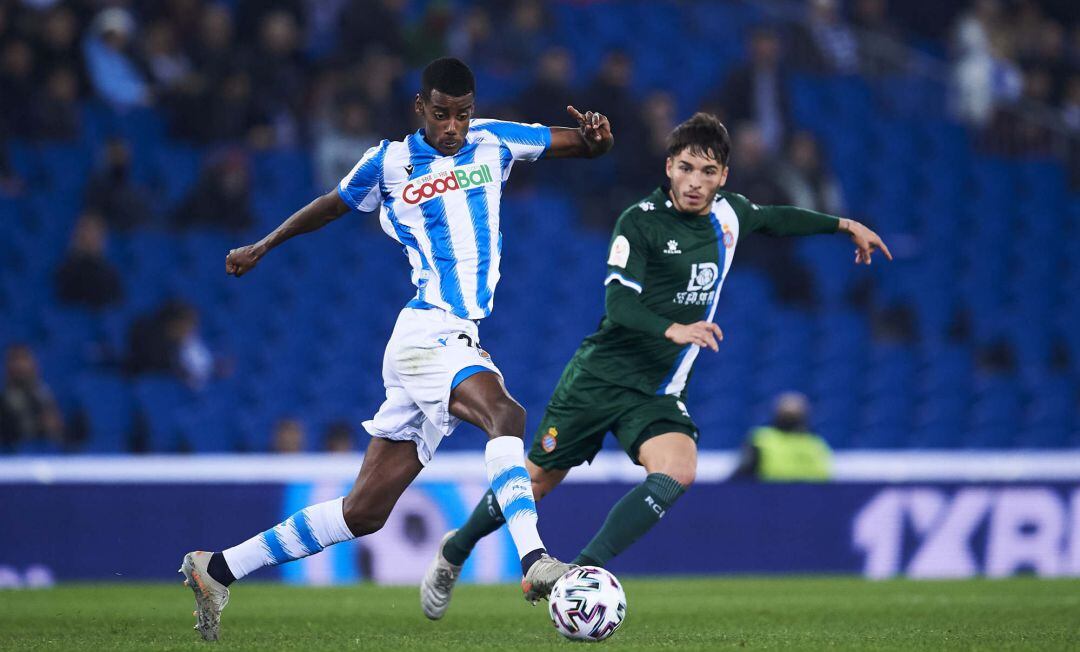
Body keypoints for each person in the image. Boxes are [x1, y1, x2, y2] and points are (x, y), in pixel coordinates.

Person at [179, 57, 613, 641]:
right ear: (420, 107)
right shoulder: (389, 161)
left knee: (364, 512)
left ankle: (219, 567)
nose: (454, 126)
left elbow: (578, 147)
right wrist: (264, 243)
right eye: (441, 115)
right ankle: (536, 561)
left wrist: (595, 138)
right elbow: (331, 203)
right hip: (428, 329)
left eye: (462, 114)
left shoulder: (494, 141)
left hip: (450, 335)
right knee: (506, 414)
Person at [420, 112, 889, 620]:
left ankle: (582, 573)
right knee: (536, 482)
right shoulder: (639, 221)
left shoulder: (731, 215)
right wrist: (674, 329)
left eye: (707, 172)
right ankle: (455, 550)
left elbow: (777, 218)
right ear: (669, 167)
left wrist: (845, 225)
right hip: (599, 379)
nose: (695, 181)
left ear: (724, 177)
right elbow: (618, 305)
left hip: (659, 388)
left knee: (678, 471)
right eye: (686, 168)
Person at [729, 392, 832, 481]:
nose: (790, 417)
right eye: (787, 412)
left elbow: (824, 476)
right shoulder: (762, 439)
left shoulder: (814, 443)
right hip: (770, 497)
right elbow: (743, 473)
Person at [54, 211, 124, 310]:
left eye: (93, 232)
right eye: (82, 231)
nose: (87, 236)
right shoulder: (60, 273)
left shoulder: (111, 280)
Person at [0, 344, 64, 451]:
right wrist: (39, 425)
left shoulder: (43, 393)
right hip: (12, 457)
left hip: (46, 454)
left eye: (24, 359)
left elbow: (57, 428)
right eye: (16, 360)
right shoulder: (3, 398)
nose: (21, 365)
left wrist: (54, 425)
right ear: (8, 365)